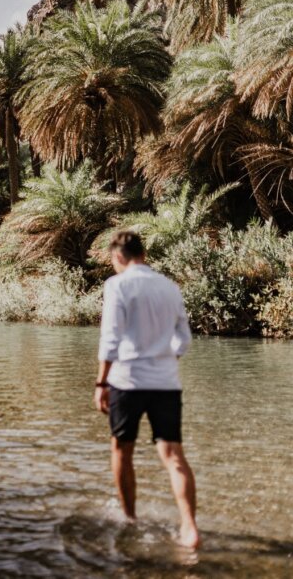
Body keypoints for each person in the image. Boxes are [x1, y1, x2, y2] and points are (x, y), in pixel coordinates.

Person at [93, 231, 200, 549]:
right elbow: (184, 338)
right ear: (143, 254)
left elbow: (110, 337)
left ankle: (129, 519)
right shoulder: (169, 286)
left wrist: (101, 383)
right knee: (174, 457)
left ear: (117, 257)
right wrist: (166, 358)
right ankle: (190, 528)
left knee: (121, 451)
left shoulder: (118, 285)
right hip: (166, 383)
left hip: (128, 382)